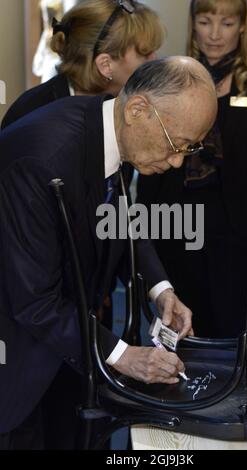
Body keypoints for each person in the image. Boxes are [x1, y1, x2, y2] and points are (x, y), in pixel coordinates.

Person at [0, 56, 217, 450]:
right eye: (176, 145)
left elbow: (117, 215)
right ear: (138, 109)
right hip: (18, 358)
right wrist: (123, 356)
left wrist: (161, 290)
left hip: (71, 346)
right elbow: (34, 303)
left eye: (191, 148)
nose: (178, 162)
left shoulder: (113, 128)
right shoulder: (41, 160)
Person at [137, 0, 247, 338]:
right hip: (174, 223)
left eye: (225, 23)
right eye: (206, 22)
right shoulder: (170, 80)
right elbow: (150, 161)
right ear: (194, 24)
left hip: (235, 230)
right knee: (177, 325)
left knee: (230, 330)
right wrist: (141, 232)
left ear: (241, 26)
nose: (215, 34)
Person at [1, 0, 163, 129]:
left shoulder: (125, 106)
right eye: (144, 53)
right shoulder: (37, 115)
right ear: (105, 65)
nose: (154, 59)